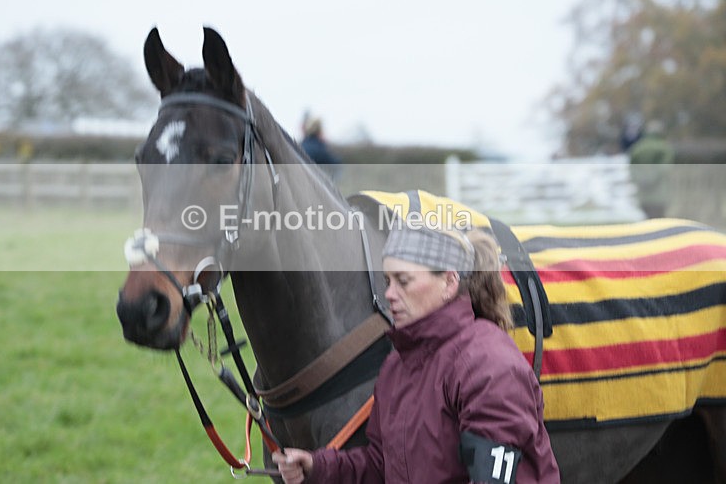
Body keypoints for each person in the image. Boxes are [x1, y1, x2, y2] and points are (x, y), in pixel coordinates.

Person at [273, 224, 560, 483]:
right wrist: (317, 467)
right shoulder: (397, 366)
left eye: (404, 281)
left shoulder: (487, 365)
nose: (389, 294)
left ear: (449, 282)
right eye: (388, 281)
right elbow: (382, 465)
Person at [629, 120, 675, 219]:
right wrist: (651, 180)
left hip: (643, 195)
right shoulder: (664, 148)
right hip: (659, 194)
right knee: (660, 226)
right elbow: (664, 168)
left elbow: (632, 170)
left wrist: (642, 181)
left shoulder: (637, 148)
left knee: (647, 225)